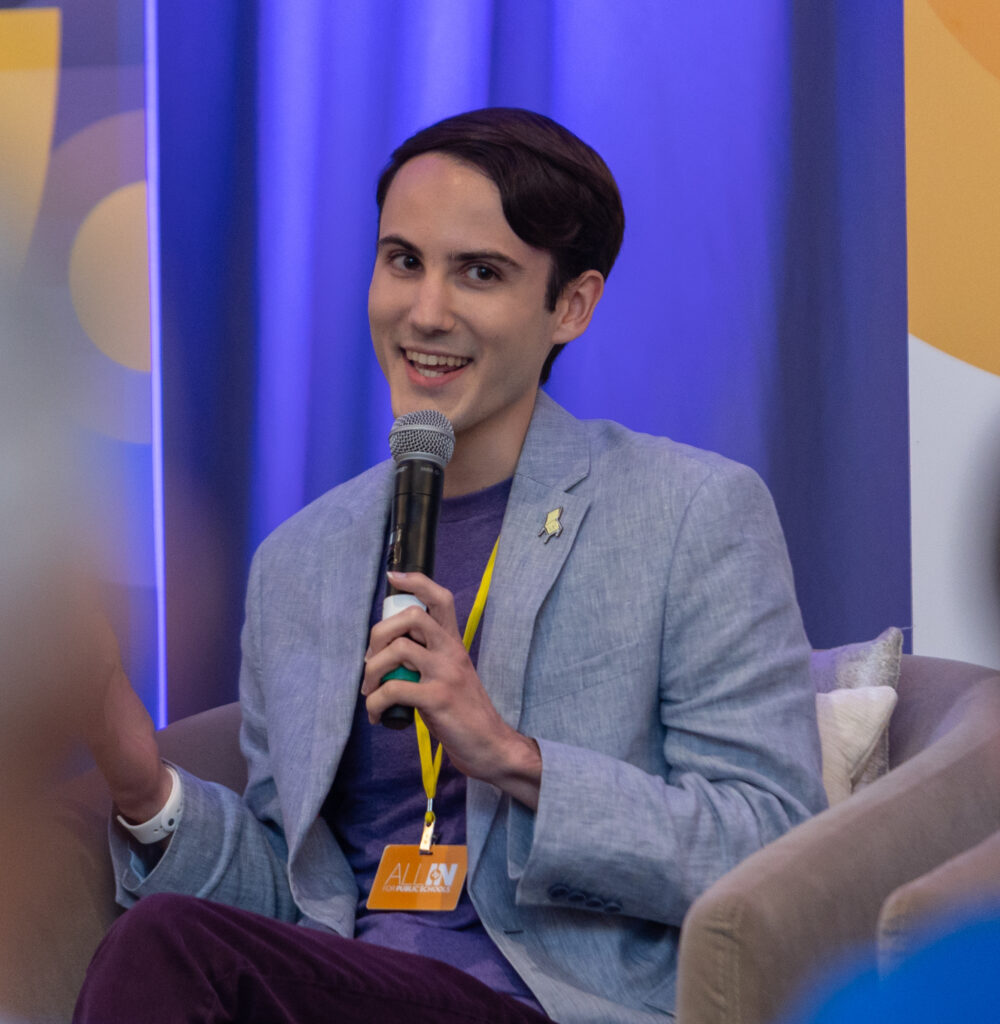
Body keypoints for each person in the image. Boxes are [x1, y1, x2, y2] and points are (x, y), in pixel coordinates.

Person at [75, 108, 827, 1024]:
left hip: (545, 1004)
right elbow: (291, 893)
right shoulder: (302, 561)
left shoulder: (689, 513)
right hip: (344, 993)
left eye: (480, 273)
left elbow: (773, 848)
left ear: (572, 306)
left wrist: (512, 758)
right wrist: (137, 779)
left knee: (166, 948)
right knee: (167, 945)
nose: (426, 311)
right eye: (403, 261)